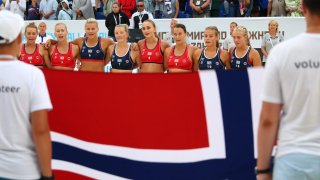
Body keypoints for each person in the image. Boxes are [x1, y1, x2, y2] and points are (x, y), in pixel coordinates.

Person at [257, 0, 320, 180]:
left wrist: (262, 171)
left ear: (303, 8)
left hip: (293, 158)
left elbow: (268, 119)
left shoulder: (282, 53)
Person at [0, 10, 53, 180]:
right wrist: (47, 175)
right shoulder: (32, 74)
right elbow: (41, 130)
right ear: (18, 39)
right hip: (22, 170)